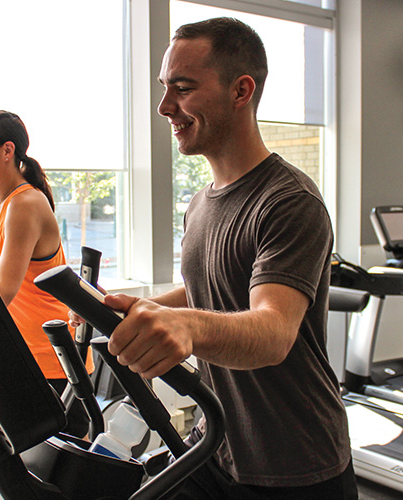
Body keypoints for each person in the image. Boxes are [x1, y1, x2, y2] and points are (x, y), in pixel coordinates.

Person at [71, 18, 357, 499]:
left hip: (296, 462)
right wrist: (132, 309)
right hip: (218, 443)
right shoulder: (201, 202)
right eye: (165, 88)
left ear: (240, 91)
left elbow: (273, 333)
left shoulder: (288, 201)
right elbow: (212, 284)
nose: (165, 107)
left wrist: (187, 327)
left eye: (182, 89)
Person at [0, 110, 93, 437]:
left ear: (7, 151)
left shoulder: (25, 204)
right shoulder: (3, 204)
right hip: (21, 361)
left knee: (53, 479)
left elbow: (2, 291)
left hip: (49, 364)